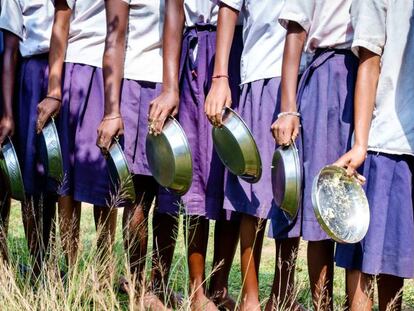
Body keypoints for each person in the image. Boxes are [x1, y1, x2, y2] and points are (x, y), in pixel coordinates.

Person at [154, 1, 242, 310]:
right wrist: (170, 88)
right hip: (199, 51)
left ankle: (220, 285)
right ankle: (196, 289)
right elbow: (174, 9)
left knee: (231, 170)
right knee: (196, 179)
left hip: (239, 49)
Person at [269, 1, 357, 310]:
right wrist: (288, 108)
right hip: (329, 77)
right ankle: (323, 304)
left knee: (354, 200)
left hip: (371, 76)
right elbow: (296, 29)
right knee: (324, 203)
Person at [205, 1, 288, 309]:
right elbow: (228, 7)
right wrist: (220, 77)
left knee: (289, 192)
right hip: (261, 73)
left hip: (301, 75)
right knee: (252, 197)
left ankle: (282, 294)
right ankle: (250, 298)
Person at [96, 0, 178, 308]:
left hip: (177, 85)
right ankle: (138, 284)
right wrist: (111, 110)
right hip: (139, 85)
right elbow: (114, 39)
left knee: (170, 198)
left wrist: (172, 87)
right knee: (138, 196)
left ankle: (159, 284)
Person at [334, 1, 414, 310]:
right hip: (388, 141)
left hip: (396, 143)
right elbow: (369, 62)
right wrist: (361, 144)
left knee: (389, 260)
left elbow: (370, 62)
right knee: (370, 260)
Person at [36, 0, 117, 270]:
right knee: (66, 179)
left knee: (105, 175)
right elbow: (61, 18)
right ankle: (70, 267)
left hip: (115, 72)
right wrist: (54, 89)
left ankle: (104, 270)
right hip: (78, 67)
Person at [0, 0, 56, 275]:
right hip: (32, 75)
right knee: (32, 173)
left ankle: (55, 261)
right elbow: (10, 51)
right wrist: (8, 113)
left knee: (58, 177)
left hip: (66, 70)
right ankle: (37, 262)